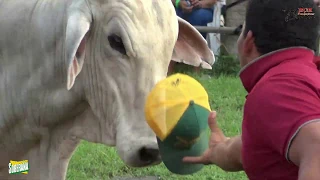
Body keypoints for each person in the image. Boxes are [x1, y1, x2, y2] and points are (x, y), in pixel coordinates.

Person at [182, 0, 320, 179]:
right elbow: (253, 147)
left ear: (248, 42)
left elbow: (316, 146)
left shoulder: (279, 88)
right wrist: (219, 150)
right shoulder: (304, 77)